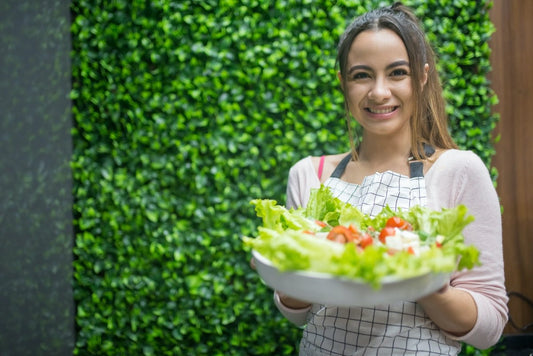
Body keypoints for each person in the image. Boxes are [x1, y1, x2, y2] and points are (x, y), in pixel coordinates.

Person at [273, 3, 508, 355]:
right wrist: (284, 272)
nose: (379, 92)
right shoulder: (308, 175)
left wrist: (424, 281)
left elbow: (490, 326)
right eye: (361, 75)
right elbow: (300, 314)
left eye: (397, 73)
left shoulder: (460, 171)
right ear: (343, 83)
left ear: (422, 76)